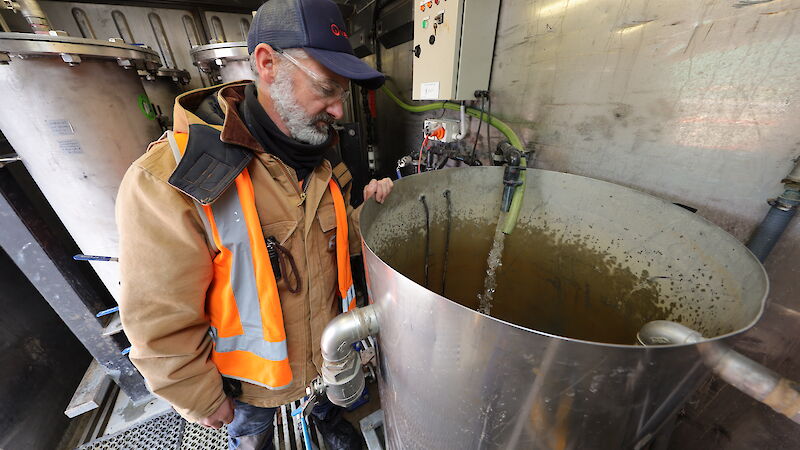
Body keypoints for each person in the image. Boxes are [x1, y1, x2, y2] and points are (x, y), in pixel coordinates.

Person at [115, 0, 393, 448]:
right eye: (327, 88)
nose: (339, 110)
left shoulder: (320, 153)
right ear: (267, 63)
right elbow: (157, 315)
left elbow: (325, 241)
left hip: (328, 360)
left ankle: (325, 417)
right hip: (247, 391)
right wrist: (200, 397)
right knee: (251, 440)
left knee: (330, 415)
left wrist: (371, 217)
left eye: (344, 93)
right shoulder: (174, 177)